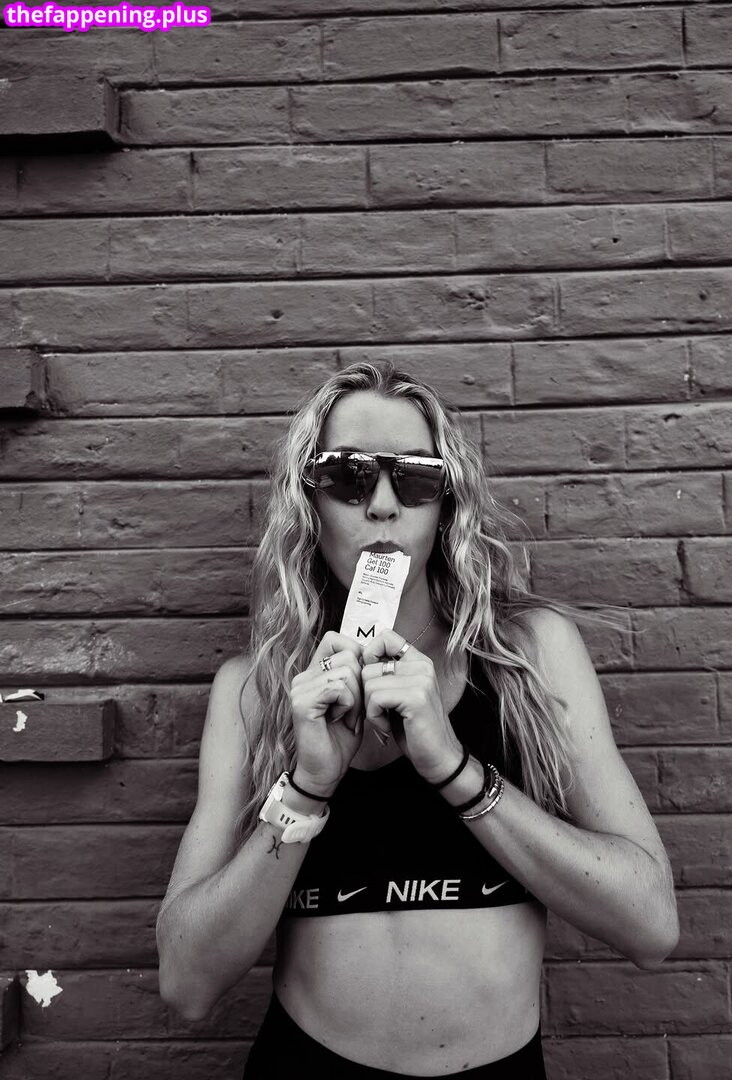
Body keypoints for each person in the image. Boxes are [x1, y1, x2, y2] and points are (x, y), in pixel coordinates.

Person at [156, 360, 679, 1077]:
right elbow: (186, 984)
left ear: (447, 503)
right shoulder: (255, 689)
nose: (381, 505)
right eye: (347, 476)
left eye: (415, 478)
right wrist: (306, 790)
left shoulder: (528, 655)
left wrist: (454, 769)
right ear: (309, 500)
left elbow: (651, 926)